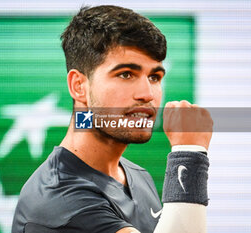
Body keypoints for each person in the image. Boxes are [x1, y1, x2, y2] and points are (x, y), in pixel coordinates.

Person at [12, 5, 213, 233]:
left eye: (155, 77)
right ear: (79, 86)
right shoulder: (59, 199)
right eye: (126, 74)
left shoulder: (137, 176)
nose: (147, 94)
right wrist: (189, 153)